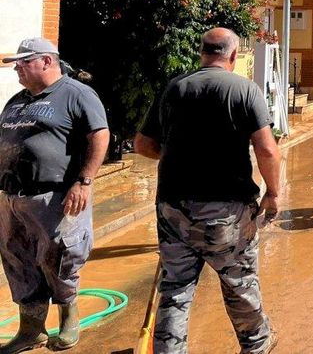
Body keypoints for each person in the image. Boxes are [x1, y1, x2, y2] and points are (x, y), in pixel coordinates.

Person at [134, 28, 281, 354]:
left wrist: (176, 156)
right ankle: (256, 345)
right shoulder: (245, 90)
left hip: (174, 207)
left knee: (176, 289)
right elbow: (268, 150)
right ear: (233, 55)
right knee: (239, 282)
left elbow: (142, 144)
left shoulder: (174, 88)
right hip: (227, 210)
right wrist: (273, 193)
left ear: (202, 52)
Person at [0, 37, 110, 353]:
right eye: (16, 64)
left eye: (24, 62)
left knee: (59, 259)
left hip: (55, 197)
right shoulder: (17, 100)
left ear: (47, 61)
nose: (17, 69)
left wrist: (84, 181)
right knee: (18, 261)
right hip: (11, 198)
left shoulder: (76, 94)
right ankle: (31, 330)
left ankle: (68, 321)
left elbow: (99, 135)